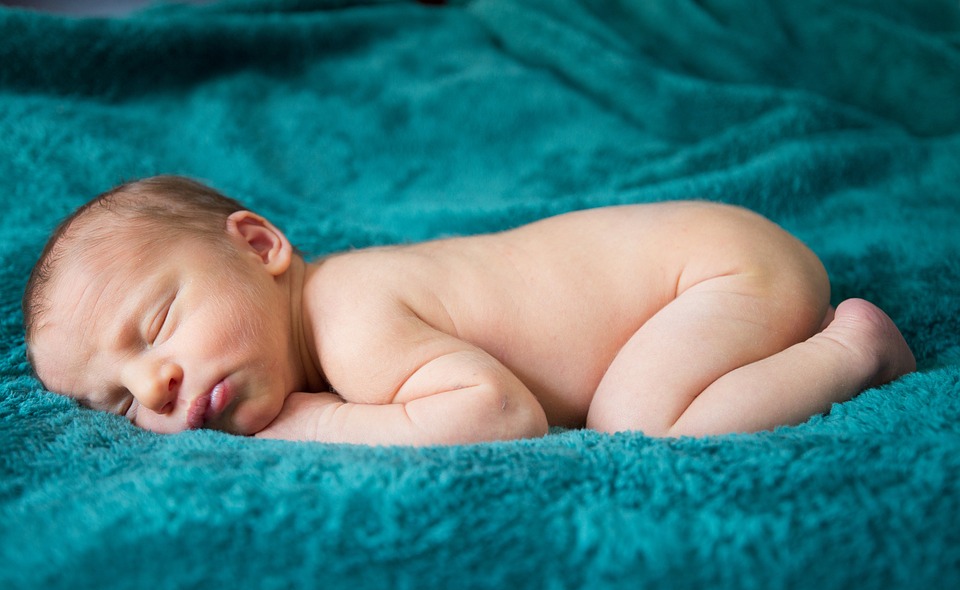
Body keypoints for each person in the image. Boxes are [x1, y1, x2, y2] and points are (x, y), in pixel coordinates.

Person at [22, 176, 916, 444]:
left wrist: (314, 421)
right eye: (118, 399)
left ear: (260, 248)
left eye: (156, 326)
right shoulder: (330, 313)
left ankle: (857, 348)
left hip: (719, 275)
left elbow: (498, 413)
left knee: (637, 419)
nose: (156, 384)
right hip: (714, 254)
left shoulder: (351, 315)